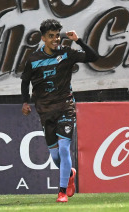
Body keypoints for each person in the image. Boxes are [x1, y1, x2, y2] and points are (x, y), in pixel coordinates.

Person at [21, 19, 99, 202]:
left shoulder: (67, 53)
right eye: (51, 36)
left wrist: (78, 40)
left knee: (64, 150)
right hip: (45, 111)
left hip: (65, 106)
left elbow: (93, 57)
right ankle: (70, 174)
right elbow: (25, 82)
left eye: (57, 35)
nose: (56, 39)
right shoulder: (33, 60)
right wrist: (25, 102)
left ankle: (62, 191)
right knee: (55, 156)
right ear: (43, 38)